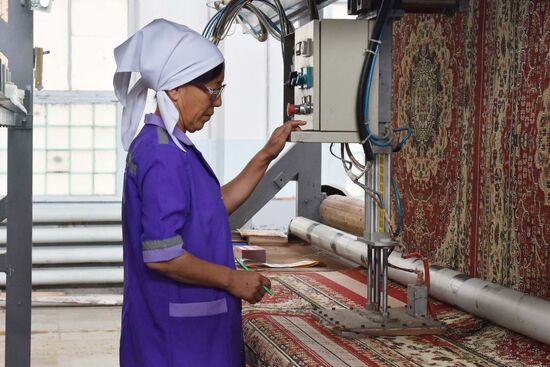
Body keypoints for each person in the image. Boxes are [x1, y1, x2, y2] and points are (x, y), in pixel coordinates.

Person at [113, 19, 304, 367]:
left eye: (220, 90)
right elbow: (163, 256)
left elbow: (213, 207)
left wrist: (266, 155)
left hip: (180, 326)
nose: (216, 103)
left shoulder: (167, 145)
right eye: (212, 90)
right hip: (178, 338)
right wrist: (234, 280)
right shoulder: (163, 156)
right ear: (175, 89)